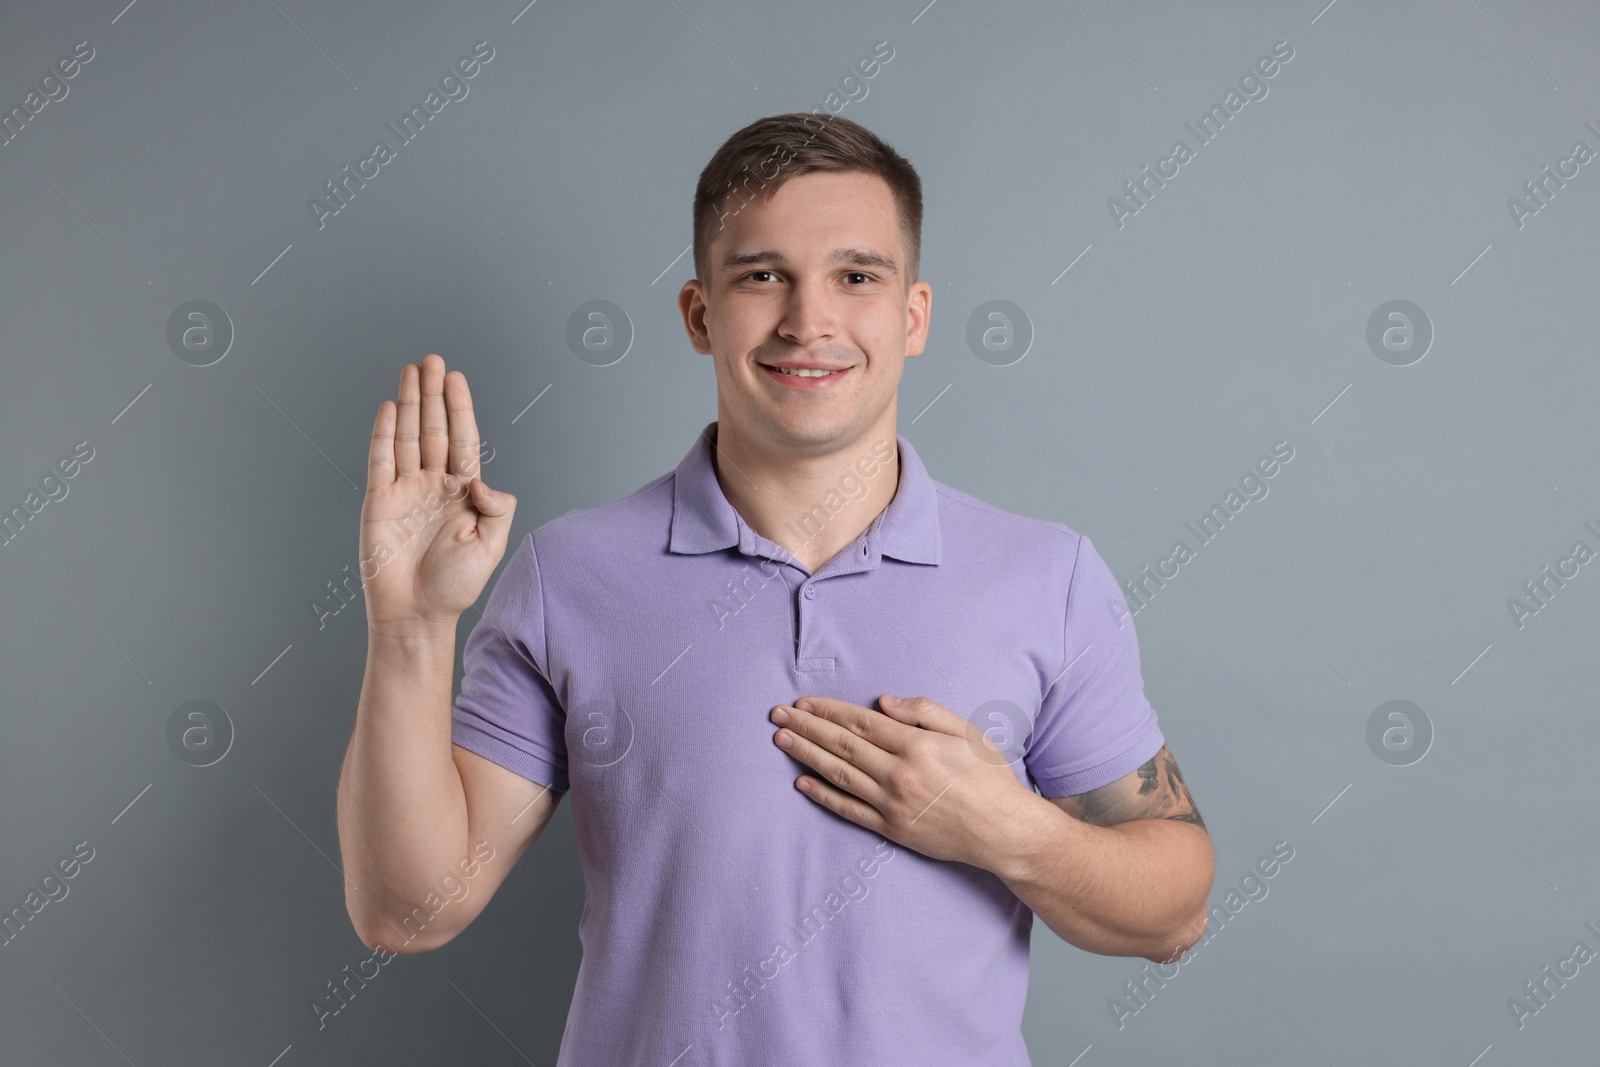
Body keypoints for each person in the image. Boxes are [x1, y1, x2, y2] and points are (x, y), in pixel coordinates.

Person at [336, 112, 1214, 1065]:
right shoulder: (569, 576)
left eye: (856, 276)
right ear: (699, 313)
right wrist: (411, 627)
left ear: (912, 316)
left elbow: (1174, 909)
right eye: (763, 275)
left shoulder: (1048, 576)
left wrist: (1010, 832)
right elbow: (406, 911)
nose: (809, 320)